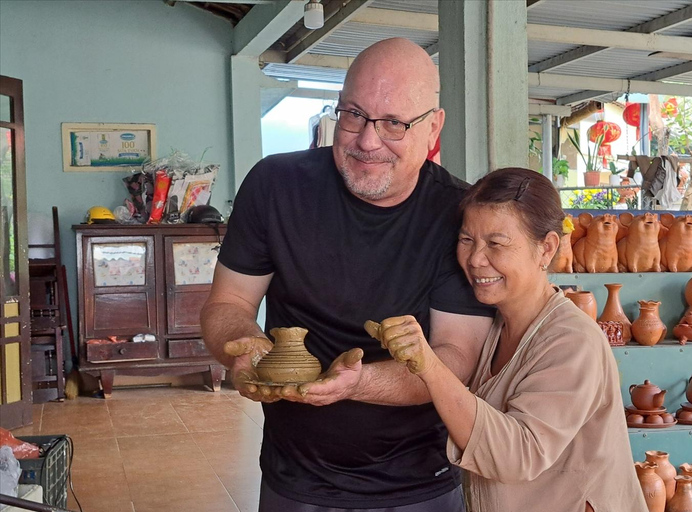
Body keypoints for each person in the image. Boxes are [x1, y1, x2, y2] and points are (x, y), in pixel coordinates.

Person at [200, 37, 495, 511]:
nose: (367, 140)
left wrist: (356, 385)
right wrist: (244, 347)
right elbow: (228, 303)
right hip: (294, 475)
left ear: (432, 127)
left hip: (418, 481)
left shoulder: (460, 216)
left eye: (394, 123)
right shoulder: (275, 186)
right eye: (353, 114)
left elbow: (455, 358)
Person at [377, 168, 647, 512]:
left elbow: (517, 456)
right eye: (466, 240)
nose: (475, 259)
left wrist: (430, 366)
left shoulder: (573, 342)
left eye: (496, 244)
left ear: (546, 248)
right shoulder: (496, 325)